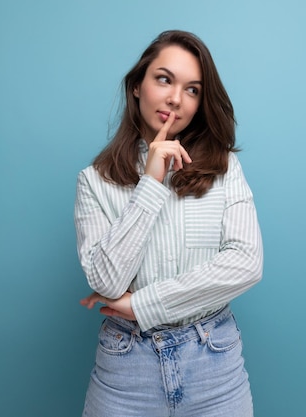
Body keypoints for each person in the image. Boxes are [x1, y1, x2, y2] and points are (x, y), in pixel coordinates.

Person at [74, 30, 263, 417]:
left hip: (214, 365)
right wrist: (150, 184)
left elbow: (246, 263)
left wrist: (141, 304)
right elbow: (106, 282)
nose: (177, 98)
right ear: (137, 87)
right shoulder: (94, 181)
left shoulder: (224, 168)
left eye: (192, 89)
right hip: (126, 372)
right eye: (164, 79)